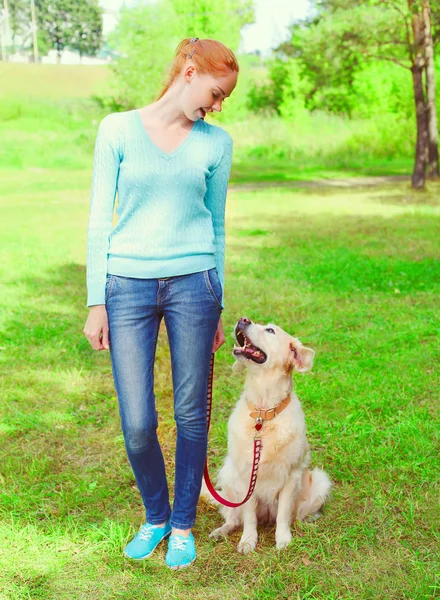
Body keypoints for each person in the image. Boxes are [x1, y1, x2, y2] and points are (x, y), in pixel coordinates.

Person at [83, 37, 238, 570]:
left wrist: (217, 301)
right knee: (137, 420)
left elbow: (216, 225)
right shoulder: (117, 129)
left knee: (192, 413)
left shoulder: (217, 144)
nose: (217, 106)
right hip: (126, 287)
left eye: (223, 100)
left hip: (196, 285)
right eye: (216, 93)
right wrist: (95, 301)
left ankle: (181, 525)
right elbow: (99, 216)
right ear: (189, 72)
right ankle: (154, 515)